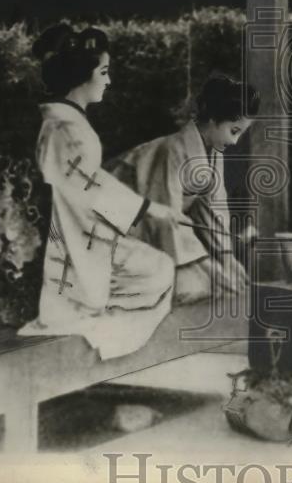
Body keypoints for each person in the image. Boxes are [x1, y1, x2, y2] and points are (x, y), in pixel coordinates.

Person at [17, 24, 192, 359]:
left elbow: (89, 178)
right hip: (71, 233)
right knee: (158, 270)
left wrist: (146, 207)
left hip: (80, 226)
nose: (108, 81)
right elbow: (87, 186)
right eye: (103, 72)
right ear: (81, 76)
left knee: (157, 268)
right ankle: (90, 313)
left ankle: (93, 307)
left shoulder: (63, 124)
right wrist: (147, 209)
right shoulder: (65, 128)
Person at [108, 74, 259, 303]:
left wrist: (227, 257)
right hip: (116, 228)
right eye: (234, 131)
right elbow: (166, 216)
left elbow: (213, 209)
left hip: (159, 230)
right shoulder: (172, 149)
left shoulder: (213, 153)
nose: (235, 142)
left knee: (215, 283)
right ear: (213, 120)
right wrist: (207, 265)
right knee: (193, 286)